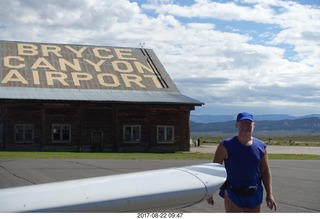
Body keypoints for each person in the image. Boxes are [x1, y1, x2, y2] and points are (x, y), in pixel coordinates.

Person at [207, 112, 277, 212]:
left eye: (249, 122)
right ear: (236, 125)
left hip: (254, 193)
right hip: (233, 192)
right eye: (242, 122)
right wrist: (210, 192)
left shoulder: (261, 146)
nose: (246, 125)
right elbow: (215, 169)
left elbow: (265, 171)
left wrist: (269, 194)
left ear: (254, 125)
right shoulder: (225, 145)